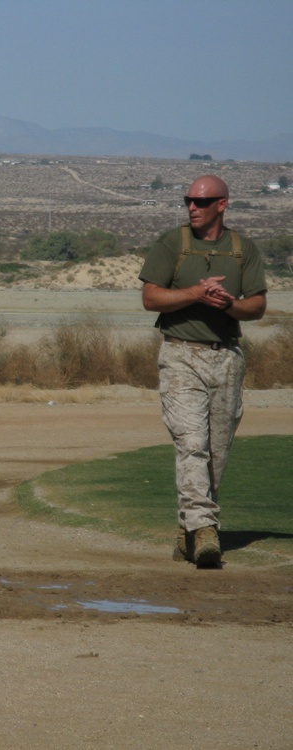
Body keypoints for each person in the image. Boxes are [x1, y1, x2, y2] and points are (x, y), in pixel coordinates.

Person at [140, 174, 266, 568]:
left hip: (227, 357)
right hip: (180, 355)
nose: (192, 208)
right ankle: (207, 530)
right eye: (188, 201)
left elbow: (258, 306)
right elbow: (150, 298)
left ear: (222, 204)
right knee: (191, 442)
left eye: (201, 201)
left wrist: (227, 304)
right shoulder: (171, 244)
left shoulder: (243, 249)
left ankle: (190, 528)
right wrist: (196, 293)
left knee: (217, 452)